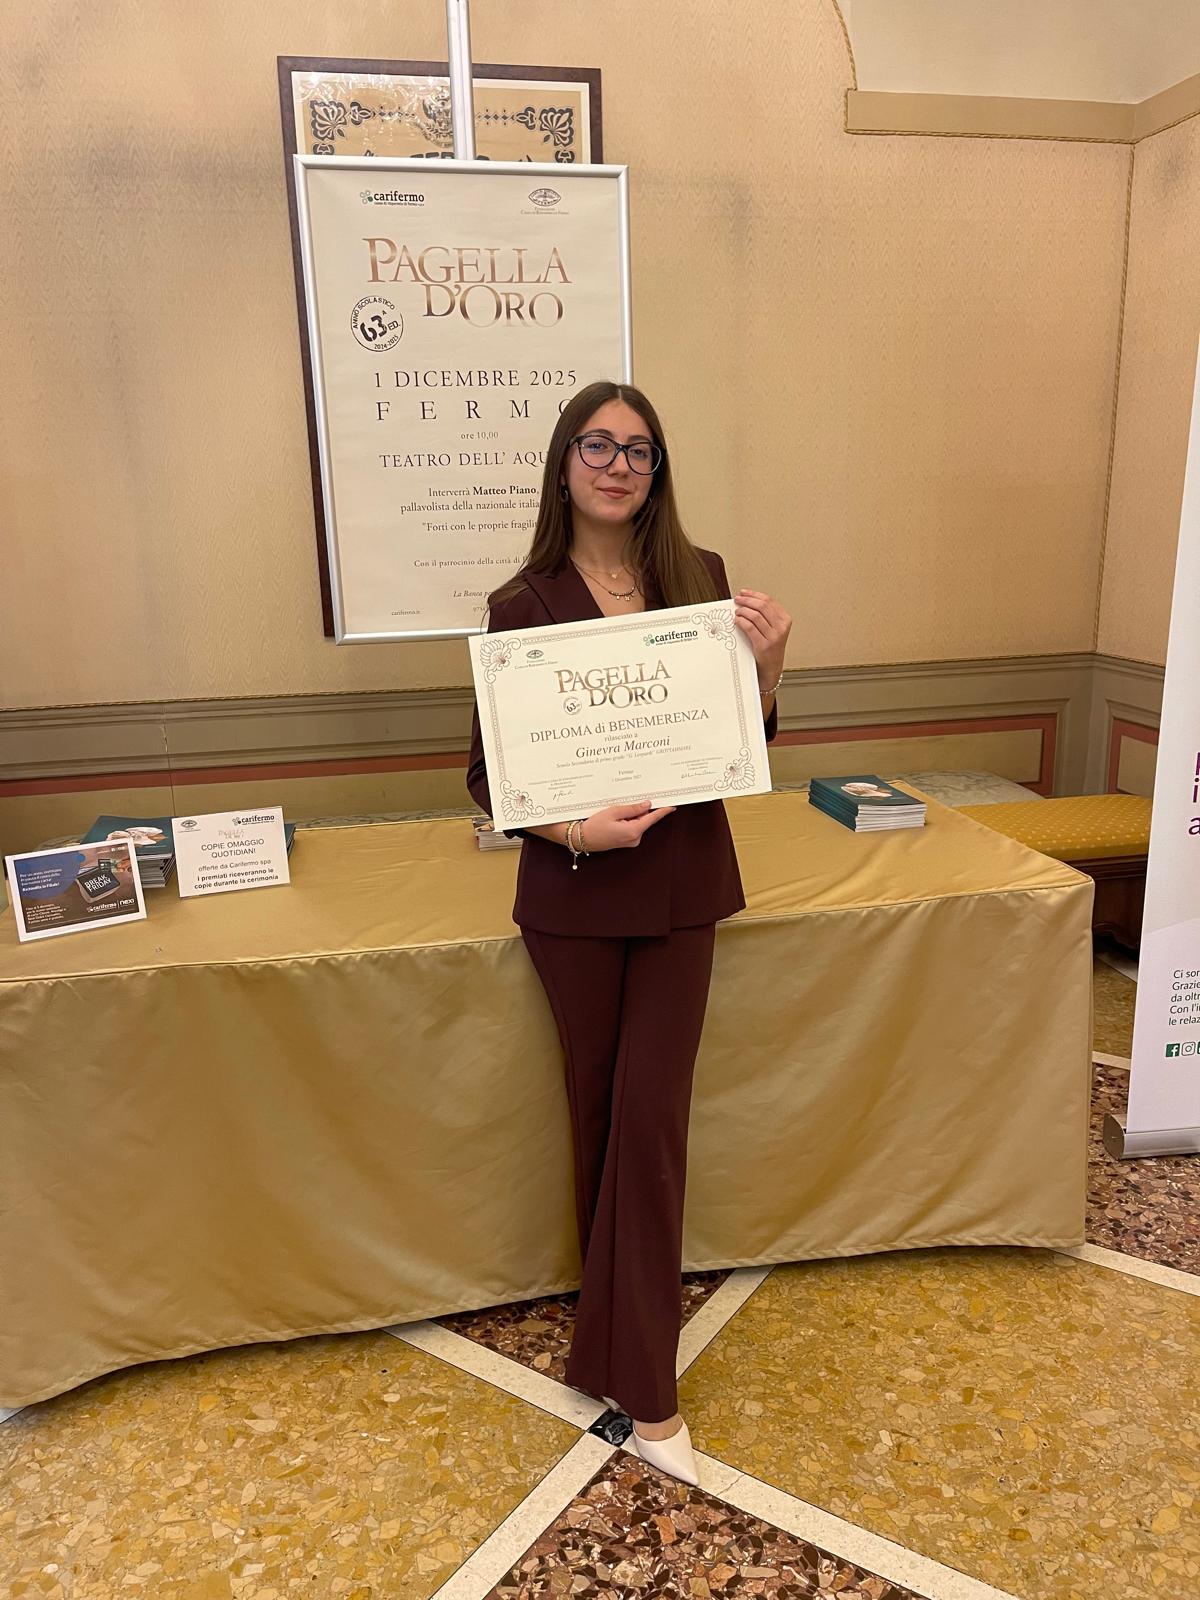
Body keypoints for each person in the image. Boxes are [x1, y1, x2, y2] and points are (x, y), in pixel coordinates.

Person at [466, 380, 791, 1486]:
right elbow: (488, 774)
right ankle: (606, 1346)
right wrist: (574, 830)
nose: (618, 465)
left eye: (638, 450)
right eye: (597, 446)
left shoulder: (700, 579)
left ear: (658, 471)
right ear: (565, 464)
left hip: (683, 888)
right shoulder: (522, 603)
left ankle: (644, 1381)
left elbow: (742, 738)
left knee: (651, 1123)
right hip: (575, 894)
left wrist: (769, 666)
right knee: (601, 1118)